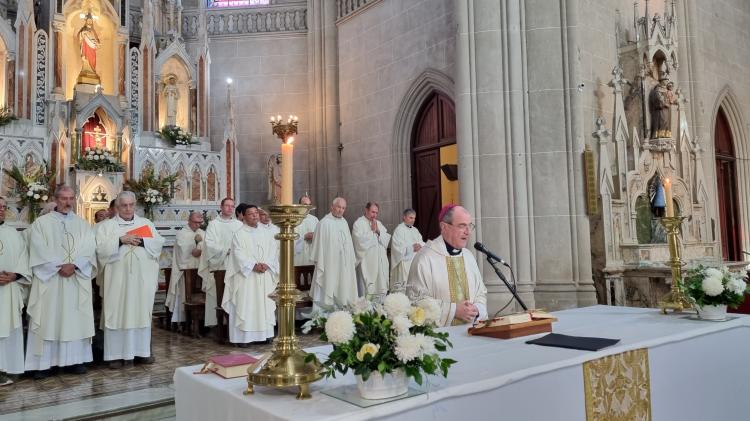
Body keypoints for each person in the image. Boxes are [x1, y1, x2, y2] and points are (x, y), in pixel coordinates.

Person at [25, 186, 97, 379]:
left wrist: (74, 265)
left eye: (71, 198)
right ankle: (43, 364)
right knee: (49, 318)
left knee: (74, 318)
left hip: (75, 279)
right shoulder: (41, 223)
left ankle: (74, 361)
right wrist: (59, 266)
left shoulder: (83, 224)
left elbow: (89, 249)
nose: (68, 202)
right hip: (51, 281)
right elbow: (38, 249)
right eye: (64, 198)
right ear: (56, 199)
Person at [96, 191, 165, 368]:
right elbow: (100, 250)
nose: (128, 208)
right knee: (117, 313)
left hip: (141, 281)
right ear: (117, 207)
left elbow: (158, 244)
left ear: (135, 205)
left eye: (131, 205)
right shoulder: (106, 226)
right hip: (117, 282)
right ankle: (115, 356)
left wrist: (142, 241)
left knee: (140, 313)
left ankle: (141, 352)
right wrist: (120, 240)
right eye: (124, 205)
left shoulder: (146, 224)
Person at [406, 205, 488, 327]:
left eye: (470, 226)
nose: (468, 231)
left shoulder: (468, 256)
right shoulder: (425, 258)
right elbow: (416, 301)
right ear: (444, 227)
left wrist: (477, 309)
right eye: (462, 226)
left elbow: (480, 292)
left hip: (472, 332)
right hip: (440, 339)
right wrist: (453, 311)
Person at [222, 205, 278, 345]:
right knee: (246, 305)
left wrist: (267, 264)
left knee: (264, 304)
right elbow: (238, 254)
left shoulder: (266, 233)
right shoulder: (239, 234)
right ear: (244, 217)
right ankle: (243, 338)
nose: (255, 216)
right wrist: (253, 265)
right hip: (246, 277)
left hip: (264, 275)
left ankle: (265, 335)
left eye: (256, 213)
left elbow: (273, 251)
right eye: (250, 214)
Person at [0, 197, 31, 385]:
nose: (1, 210)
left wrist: (14, 276)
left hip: (9, 291)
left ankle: (8, 367)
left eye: (3, 207)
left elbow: (24, 259)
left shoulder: (13, 234)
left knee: (8, 329)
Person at [198, 198, 243, 327]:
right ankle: (218, 324)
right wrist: (226, 251)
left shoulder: (239, 225)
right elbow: (209, 245)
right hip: (220, 264)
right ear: (221, 207)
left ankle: (234, 323)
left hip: (235, 264)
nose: (230, 208)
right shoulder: (213, 224)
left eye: (232, 206)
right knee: (218, 293)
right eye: (227, 206)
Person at [309, 197, 358, 310]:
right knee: (327, 289)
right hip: (329, 267)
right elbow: (319, 248)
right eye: (338, 207)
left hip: (343, 266)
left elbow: (349, 245)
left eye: (343, 208)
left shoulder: (344, 222)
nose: (341, 210)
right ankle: (322, 318)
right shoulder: (324, 223)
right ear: (332, 207)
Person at [165, 212, 204, 325]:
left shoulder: (203, 233)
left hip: (200, 271)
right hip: (186, 272)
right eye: (195, 222)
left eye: (200, 223)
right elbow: (182, 252)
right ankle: (183, 320)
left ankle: (201, 320)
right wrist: (194, 250)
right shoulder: (182, 234)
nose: (198, 225)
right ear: (189, 221)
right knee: (184, 293)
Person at [352, 202, 391, 300]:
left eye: (376, 213)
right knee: (368, 290)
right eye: (373, 212)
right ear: (366, 210)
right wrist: (372, 231)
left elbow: (386, 239)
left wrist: (378, 230)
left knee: (380, 287)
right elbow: (359, 242)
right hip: (367, 262)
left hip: (380, 262)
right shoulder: (359, 223)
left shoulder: (379, 223)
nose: (375, 215)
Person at [389, 209, 424, 293]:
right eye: (410, 218)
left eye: (414, 218)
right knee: (404, 288)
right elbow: (397, 248)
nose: (413, 220)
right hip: (404, 263)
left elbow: (421, 241)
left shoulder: (415, 230)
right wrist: (411, 248)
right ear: (404, 217)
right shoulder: (399, 230)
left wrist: (420, 245)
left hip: (415, 262)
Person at [294, 196, 319, 266]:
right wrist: (304, 237)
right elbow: (290, 240)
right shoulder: (293, 220)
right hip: (298, 257)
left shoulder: (315, 220)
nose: (308, 207)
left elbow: (320, 238)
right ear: (299, 205)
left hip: (312, 256)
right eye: (305, 205)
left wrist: (315, 236)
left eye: (309, 205)